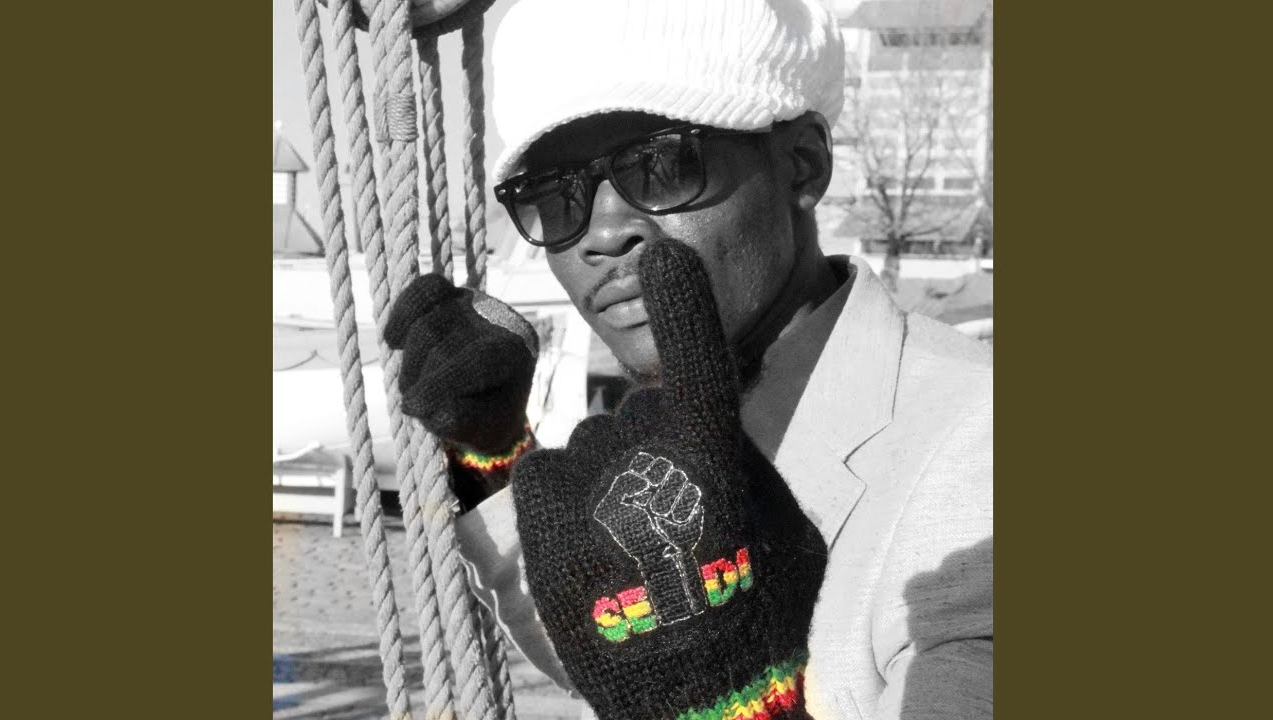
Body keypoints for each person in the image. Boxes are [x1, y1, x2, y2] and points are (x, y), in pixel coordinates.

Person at [383, 1, 992, 718]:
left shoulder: (979, 456)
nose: (602, 235)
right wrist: (490, 453)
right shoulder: (665, 426)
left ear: (803, 165)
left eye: (660, 165)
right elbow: (616, 650)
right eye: (554, 196)